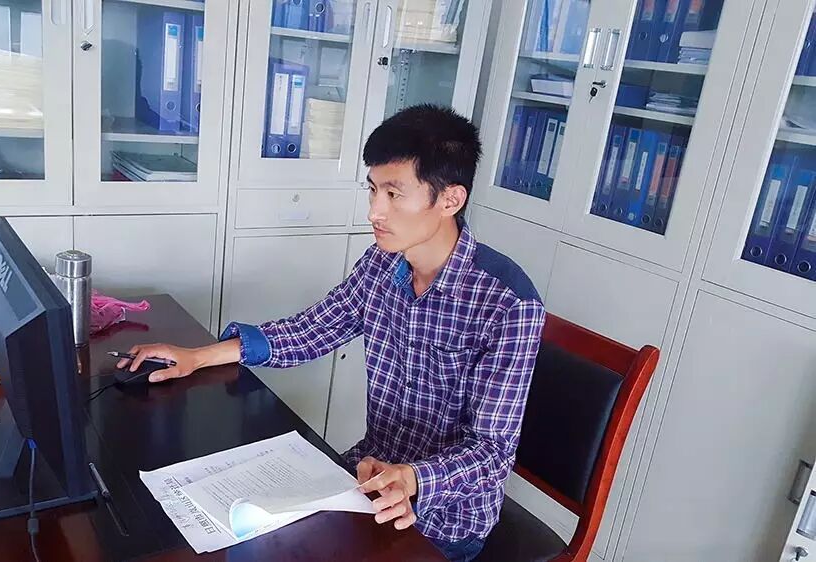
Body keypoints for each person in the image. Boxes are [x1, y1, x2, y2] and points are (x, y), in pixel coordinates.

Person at [117, 104, 546, 562]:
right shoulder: (384, 262)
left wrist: (413, 479)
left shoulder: (508, 304)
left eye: (394, 194)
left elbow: (493, 452)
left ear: (450, 200)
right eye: (373, 190)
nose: (375, 211)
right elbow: (313, 329)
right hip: (365, 476)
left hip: (439, 518)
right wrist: (200, 356)